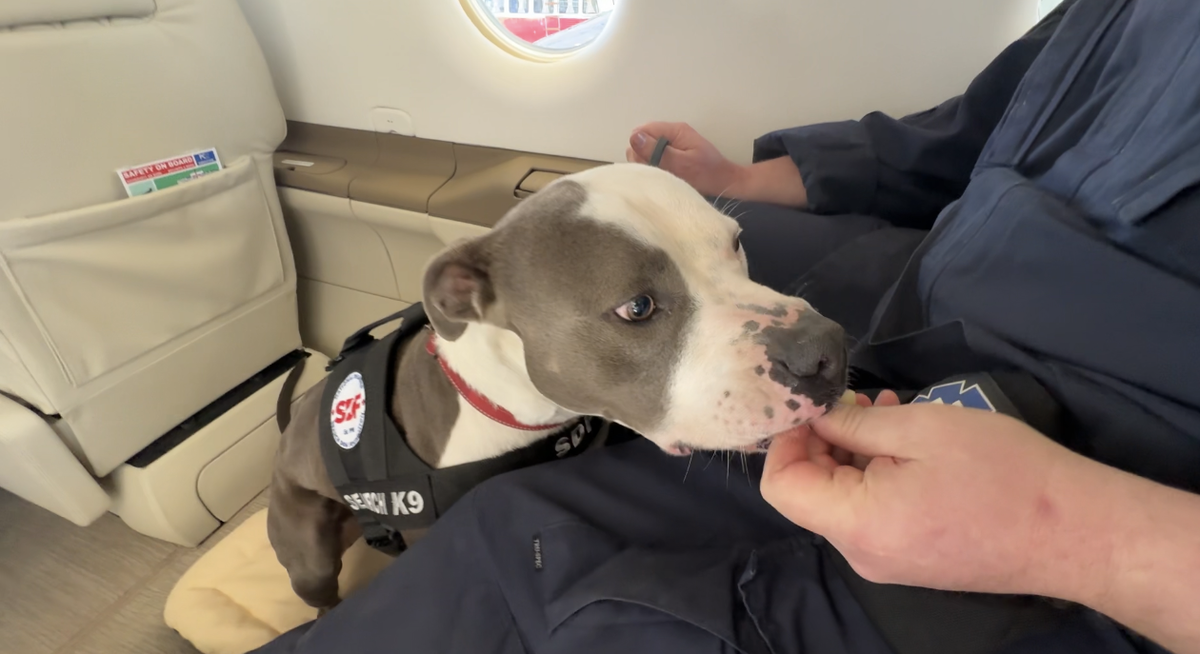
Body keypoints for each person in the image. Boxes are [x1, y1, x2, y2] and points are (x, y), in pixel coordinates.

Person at [249, 1, 1199, 653]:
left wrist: (1082, 539)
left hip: (1113, 435)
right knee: (746, 251)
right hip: (952, 270)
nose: (809, 334)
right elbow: (978, 126)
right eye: (638, 307)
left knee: (514, 537)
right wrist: (745, 192)